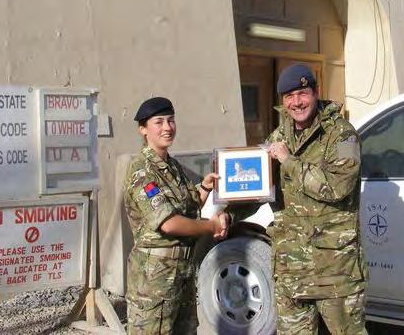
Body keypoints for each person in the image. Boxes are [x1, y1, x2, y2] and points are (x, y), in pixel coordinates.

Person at [228, 63, 367, 334]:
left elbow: (338, 187)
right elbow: (261, 187)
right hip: (291, 269)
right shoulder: (279, 137)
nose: (297, 102)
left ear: (316, 92)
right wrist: (228, 215)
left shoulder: (343, 136)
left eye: (302, 93)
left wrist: (288, 161)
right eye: (289, 96)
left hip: (335, 271)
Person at [123, 96, 229, 334]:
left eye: (171, 120)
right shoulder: (142, 171)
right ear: (143, 129)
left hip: (181, 273)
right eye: (159, 122)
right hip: (154, 280)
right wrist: (211, 227)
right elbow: (169, 223)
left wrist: (205, 188)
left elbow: (189, 206)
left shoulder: (172, 166)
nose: (167, 127)